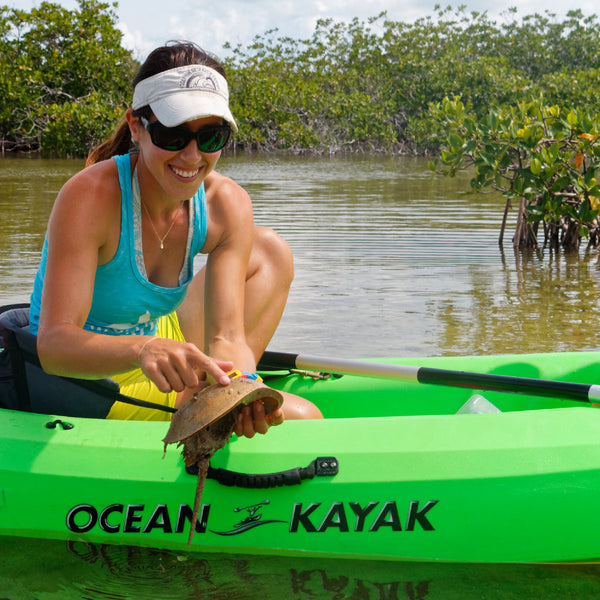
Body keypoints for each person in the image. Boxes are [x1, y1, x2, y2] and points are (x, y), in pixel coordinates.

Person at [28, 40, 322, 436]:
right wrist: (142, 349)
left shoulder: (226, 204)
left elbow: (227, 336)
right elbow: (53, 348)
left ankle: (204, 401)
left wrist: (240, 385)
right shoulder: (90, 197)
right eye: (173, 134)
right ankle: (188, 409)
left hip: (155, 333)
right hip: (87, 378)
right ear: (136, 126)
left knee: (269, 250)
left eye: (211, 136)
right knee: (307, 420)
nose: (191, 155)